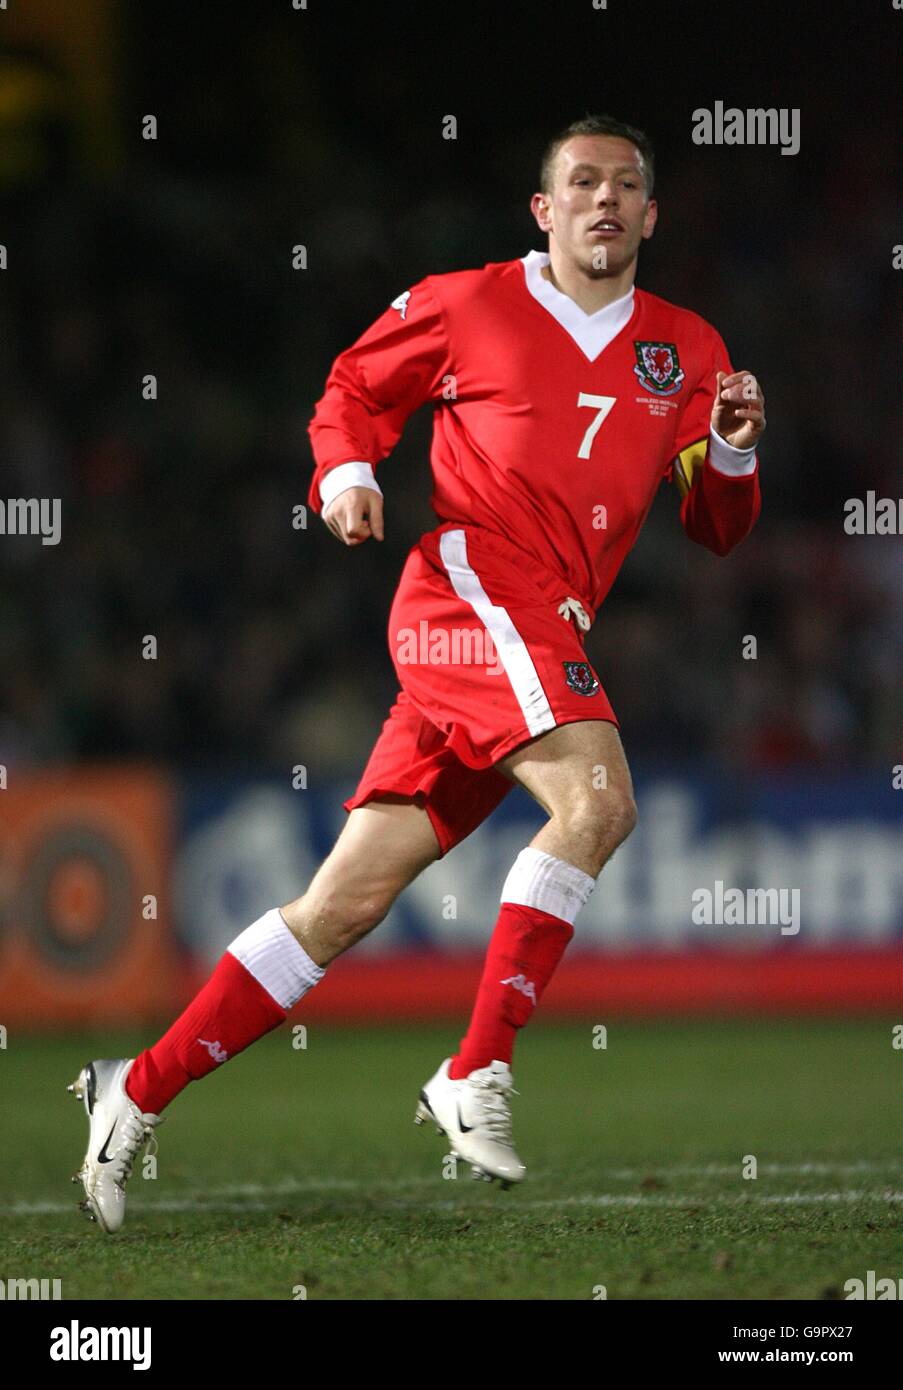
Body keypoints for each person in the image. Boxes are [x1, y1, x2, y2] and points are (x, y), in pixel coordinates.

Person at [69, 114, 764, 1231]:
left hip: (534, 633)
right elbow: (353, 386)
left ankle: (132, 1088)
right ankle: (474, 1067)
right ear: (543, 210)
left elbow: (718, 528)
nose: (604, 200)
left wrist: (729, 447)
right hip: (472, 589)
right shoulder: (470, 300)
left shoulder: (688, 349)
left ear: (650, 213)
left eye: (625, 187)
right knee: (599, 798)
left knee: (340, 904)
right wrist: (345, 473)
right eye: (580, 182)